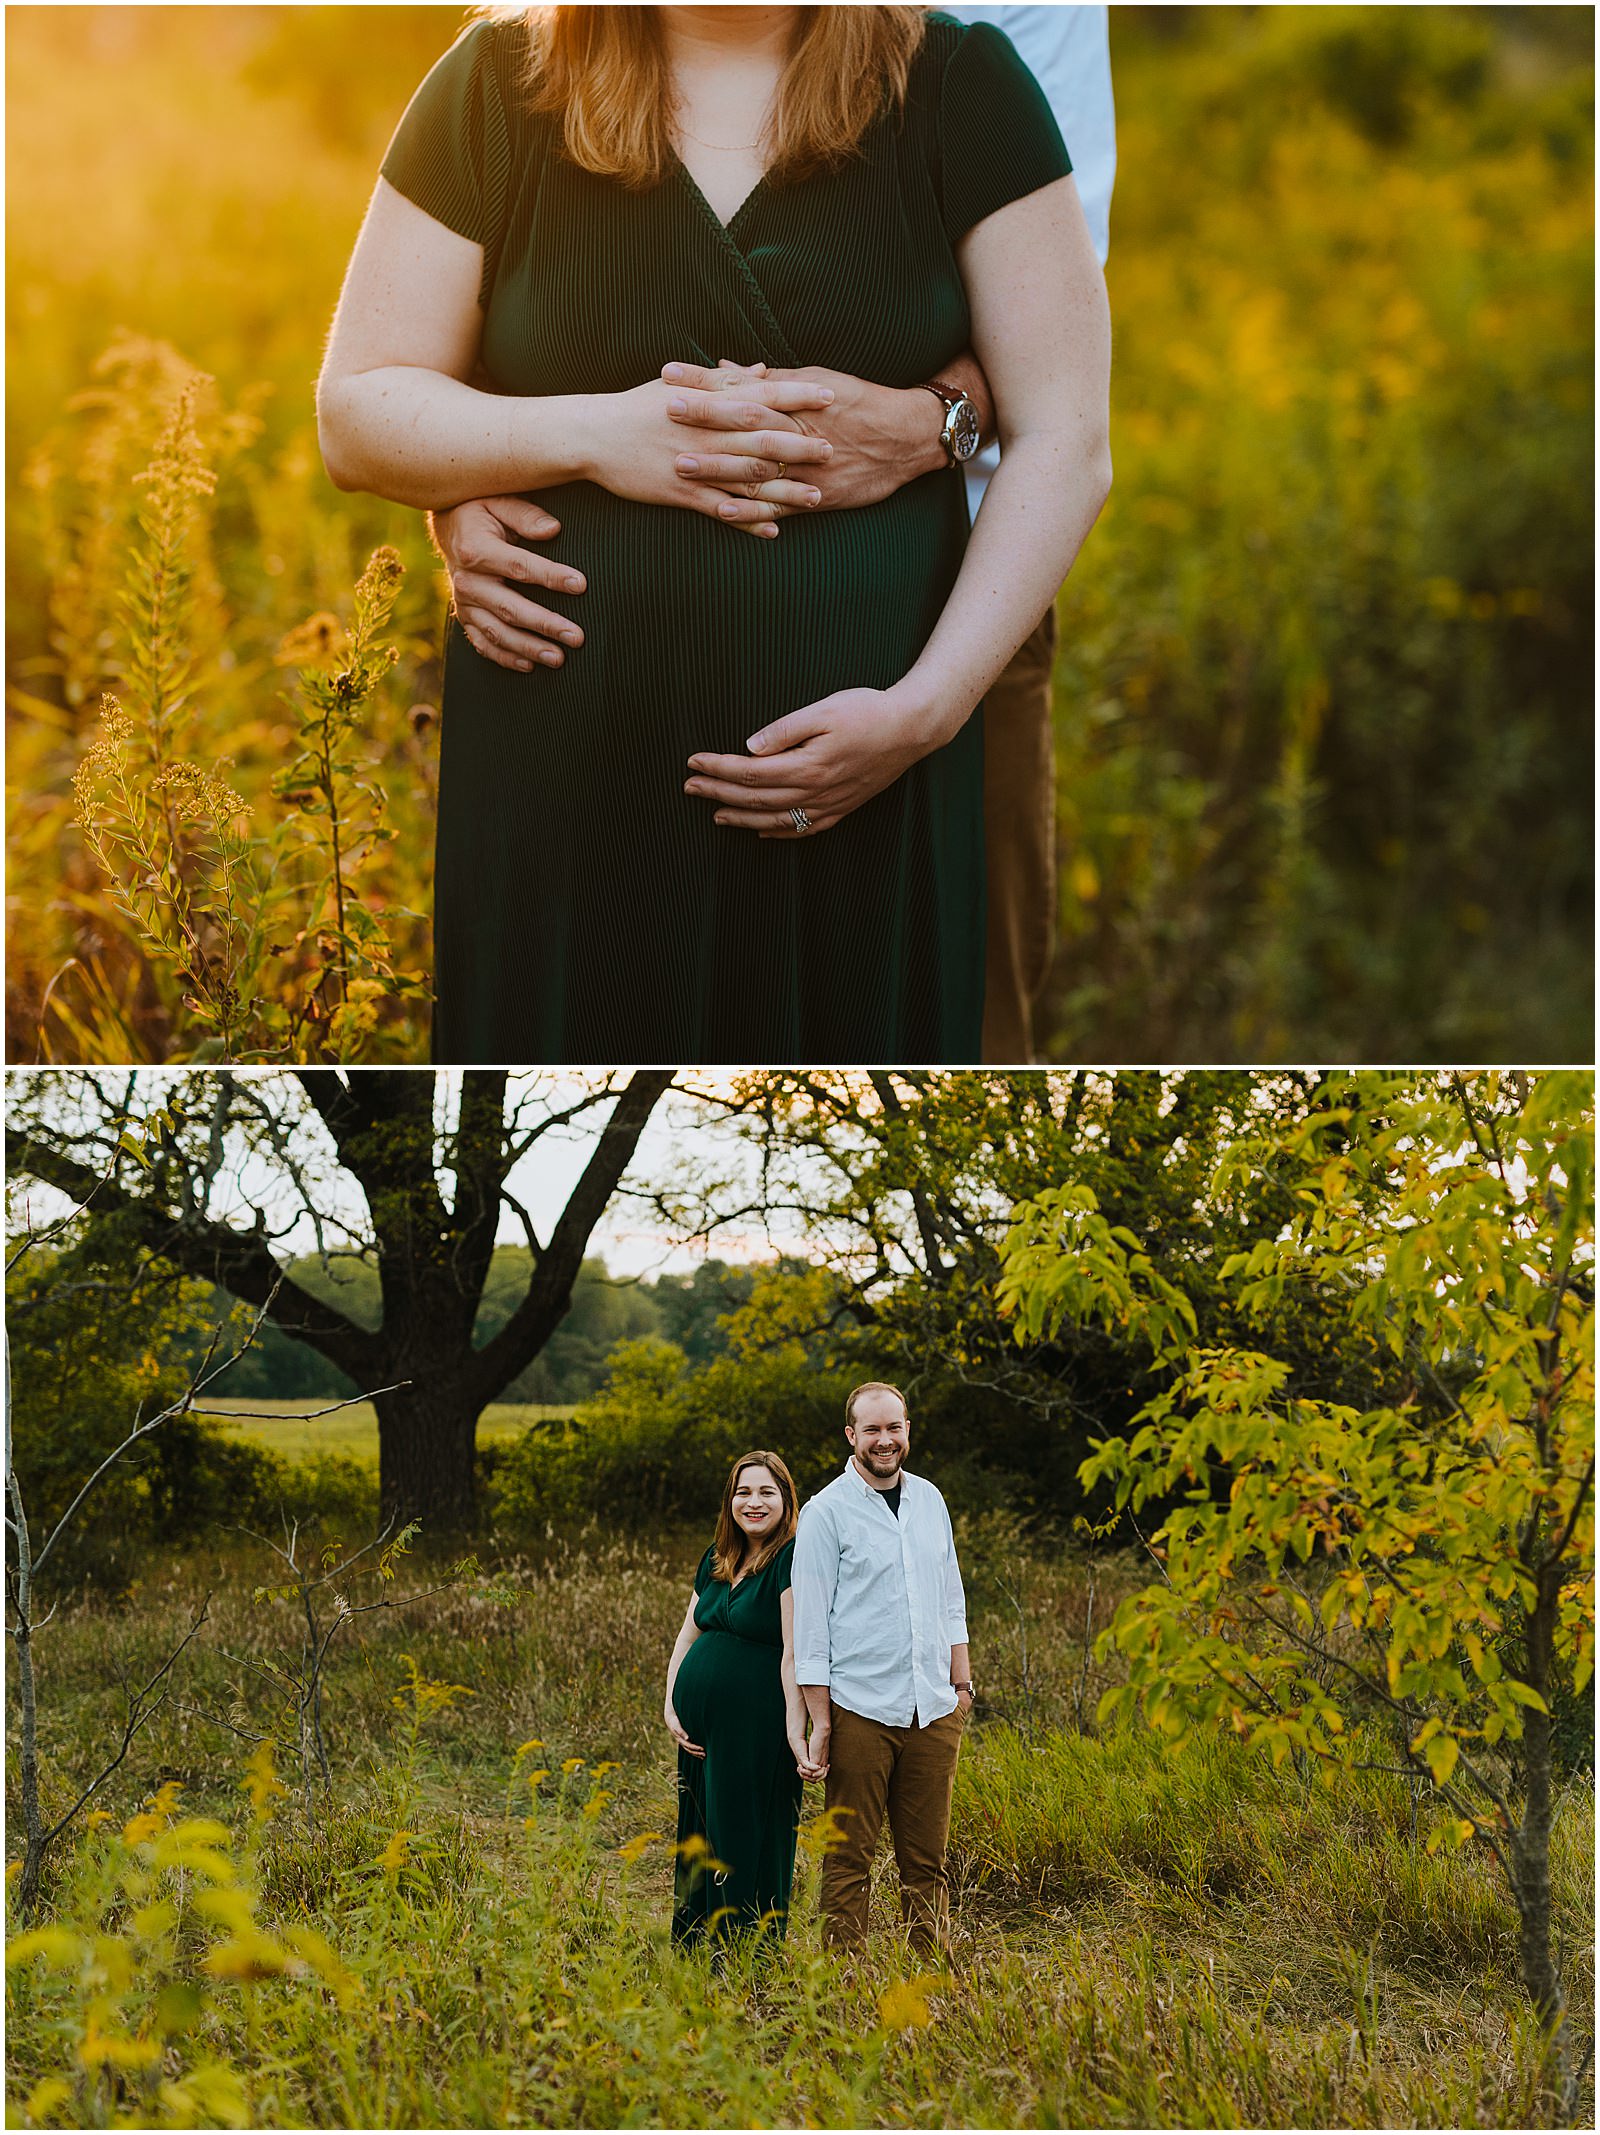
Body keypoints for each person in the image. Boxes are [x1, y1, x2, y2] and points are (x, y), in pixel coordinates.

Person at [317, 4, 1112, 1063]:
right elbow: (356, 410)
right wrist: (597, 435)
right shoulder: (495, 83)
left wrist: (923, 714)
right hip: (568, 792)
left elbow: (1065, 430)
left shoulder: (963, 82)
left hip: (871, 771)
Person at [791, 1382, 972, 1958]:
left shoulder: (930, 1500)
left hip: (934, 1708)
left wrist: (961, 1686)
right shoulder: (825, 1513)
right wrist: (821, 1720)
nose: (884, 1440)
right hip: (860, 1709)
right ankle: (842, 1983)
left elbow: (950, 1595)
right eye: (871, 1430)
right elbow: (811, 1626)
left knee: (927, 1860)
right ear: (851, 1436)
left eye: (893, 1427)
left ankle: (931, 1976)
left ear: (907, 1430)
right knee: (848, 1857)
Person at [664, 1450, 823, 1944]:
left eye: (766, 1492)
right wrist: (671, 1702)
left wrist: (799, 1732)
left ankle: (741, 1949)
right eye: (743, 1492)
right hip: (700, 1732)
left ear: (785, 1499)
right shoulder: (717, 1556)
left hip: (755, 1726)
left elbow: (794, 1654)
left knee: (744, 1834)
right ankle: (694, 1940)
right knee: (701, 1830)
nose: (753, 1503)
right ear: (730, 1500)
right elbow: (688, 1635)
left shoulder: (792, 1557)